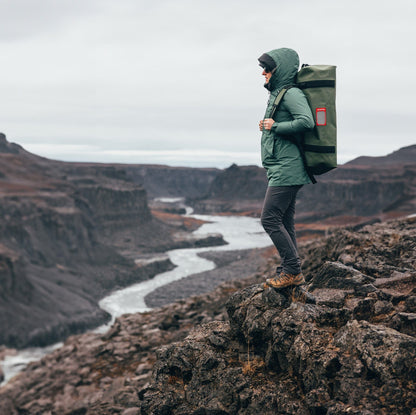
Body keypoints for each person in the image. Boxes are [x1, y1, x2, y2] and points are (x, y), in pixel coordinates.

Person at [258, 47, 314, 289]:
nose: (263, 73)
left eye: (267, 69)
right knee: (285, 221)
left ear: (278, 70)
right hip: (281, 166)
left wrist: (275, 127)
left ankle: (292, 270)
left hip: (288, 167)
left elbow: (307, 121)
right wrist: (271, 125)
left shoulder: (291, 93)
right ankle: (290, 271)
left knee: (269, 219)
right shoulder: (277, 94)